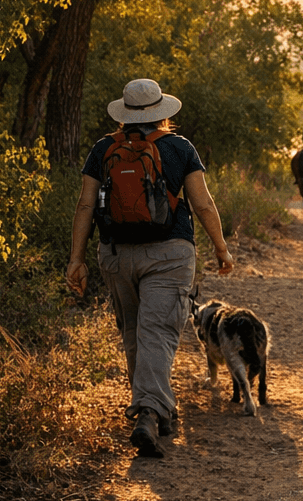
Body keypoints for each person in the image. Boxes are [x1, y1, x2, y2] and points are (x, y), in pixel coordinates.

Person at [67, 78, 235, 458]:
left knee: (134, 334)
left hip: (116, 254)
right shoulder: (179, 148)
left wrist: (76, 259)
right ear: (162, 114)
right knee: (157, 333)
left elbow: (84, 206)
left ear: (124, 114)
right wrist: (221, 249)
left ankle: (156, 408)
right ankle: (149, 412)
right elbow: (204, 204)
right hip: (170, 254)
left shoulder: (103, 150)